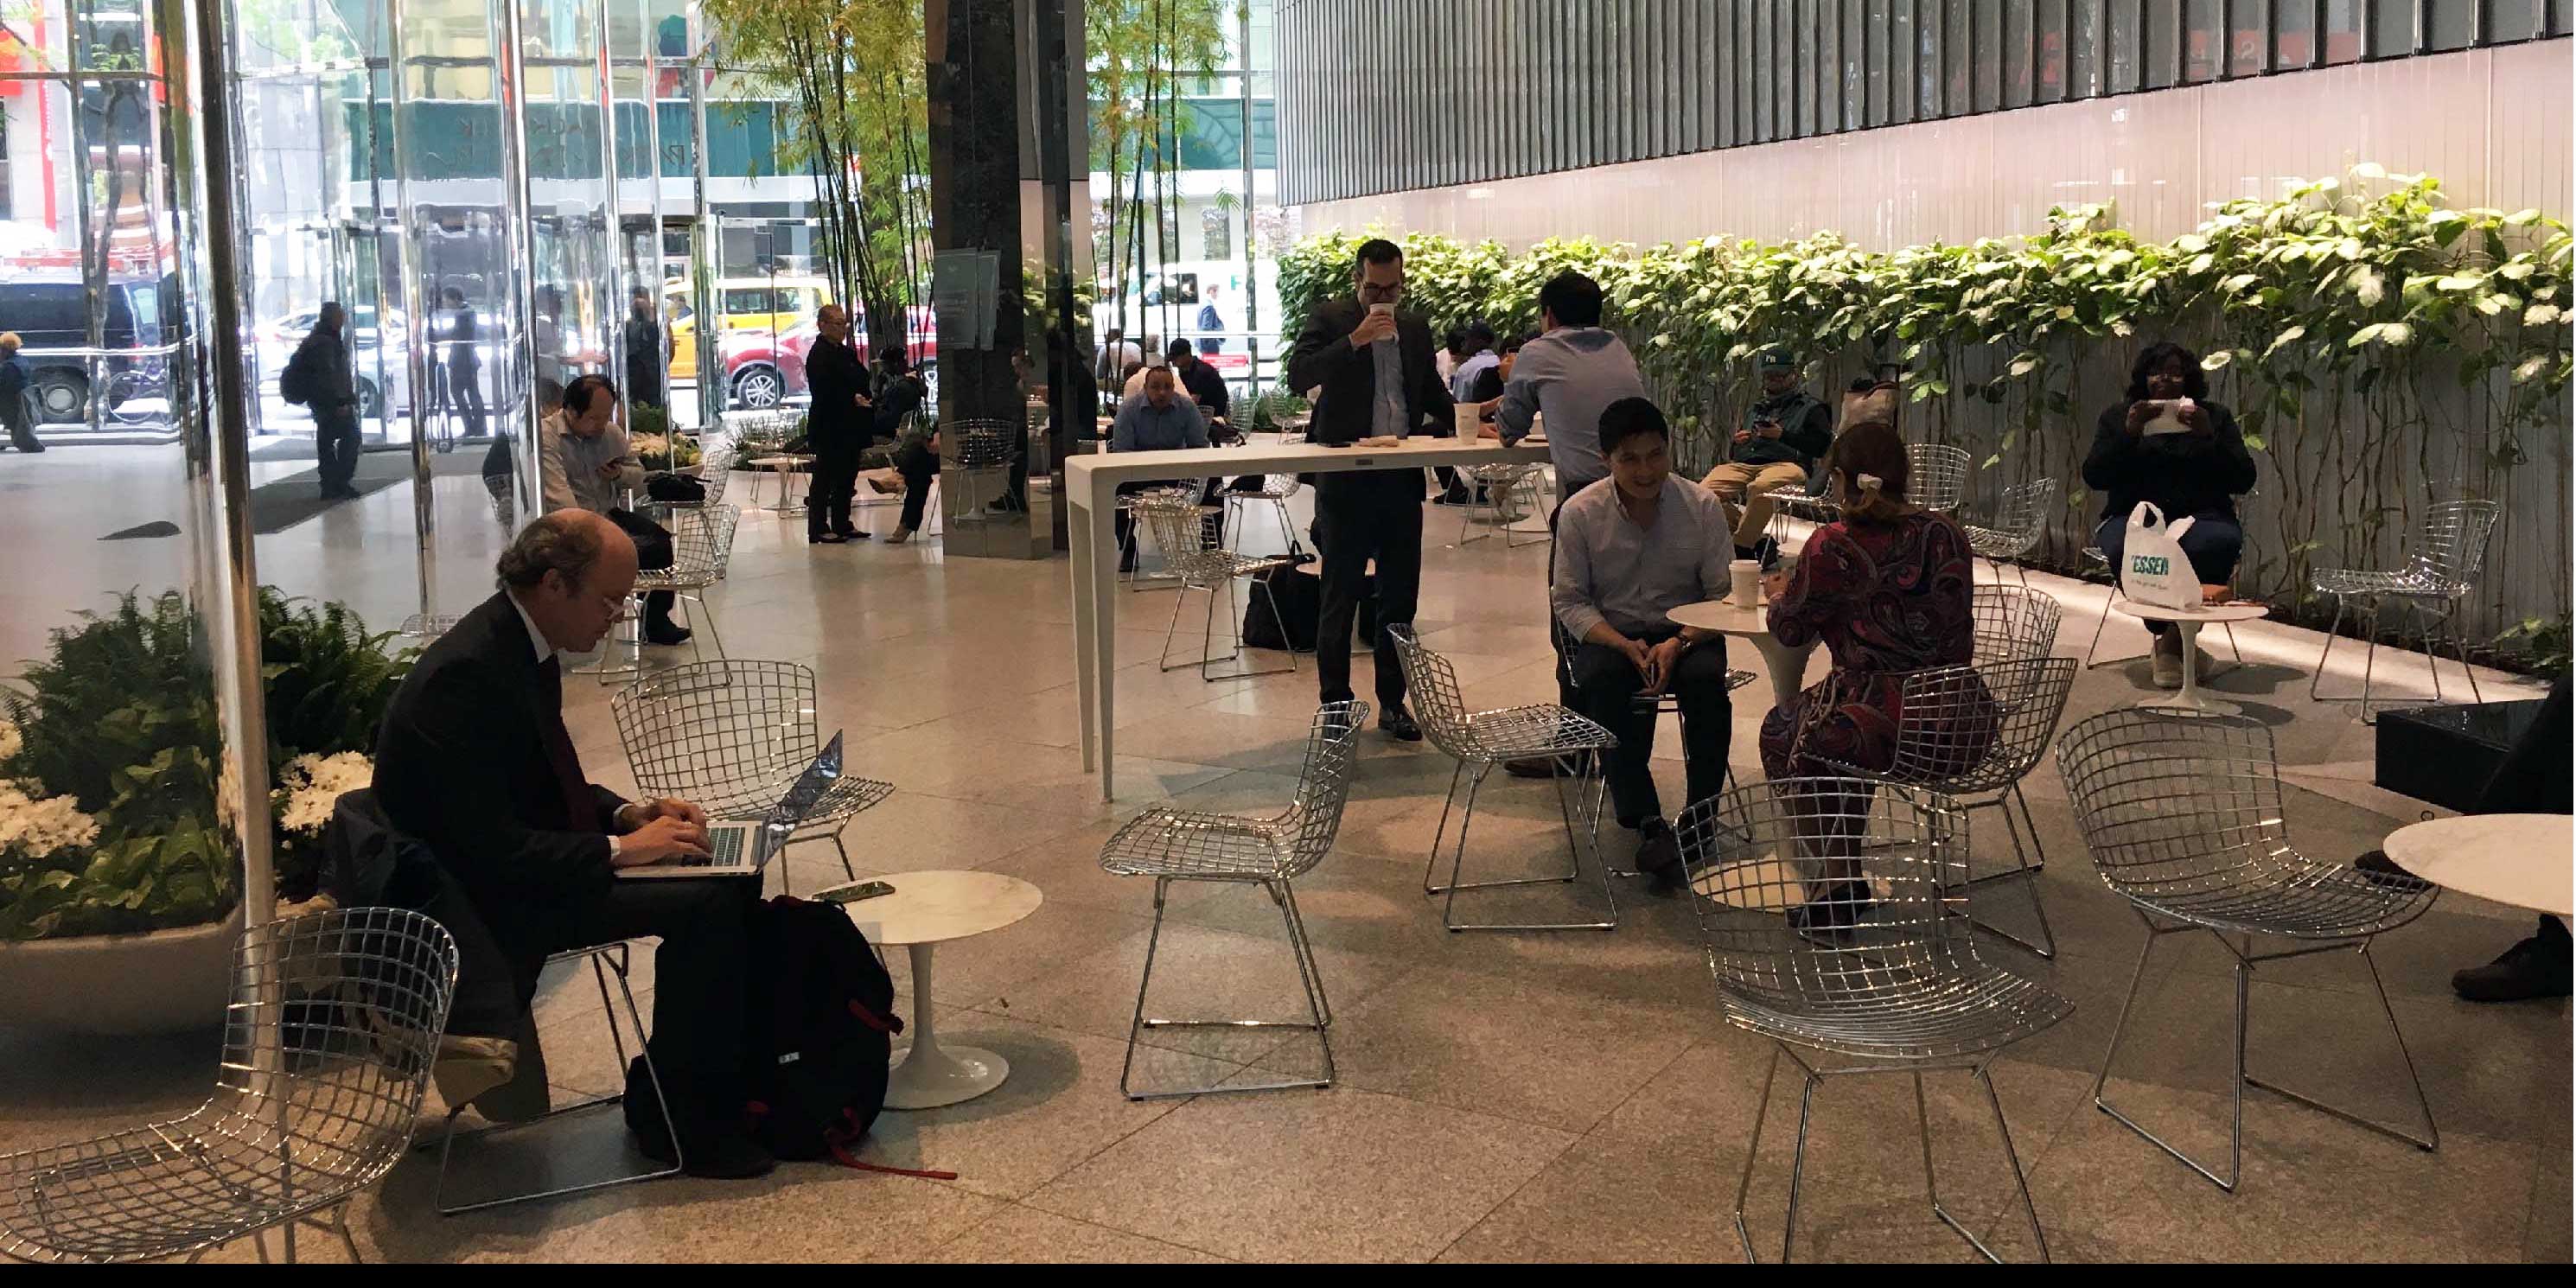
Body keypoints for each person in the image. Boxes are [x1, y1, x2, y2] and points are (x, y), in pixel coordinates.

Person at [370, 510, 772, 1179]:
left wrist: (626, 815)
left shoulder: (519, 645)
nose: (618, 617)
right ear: (555, 585)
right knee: (708, 903)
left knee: (726, 875)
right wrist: (621, 853)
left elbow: (544, 782)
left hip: (512, 869)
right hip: (477, 905)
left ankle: (692, 1090)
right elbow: (488, 852)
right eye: (611, 599)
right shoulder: (465, 679)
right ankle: (681, 1122)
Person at [1759, 414, 1989, 936]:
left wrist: (1778, 594)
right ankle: (1844, 880)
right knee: (1836, 726)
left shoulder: (1832, 543)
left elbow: (1792, 632)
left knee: (1784, 729)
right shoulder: (1945, 532)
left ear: (1840, 478)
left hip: (1885, 723)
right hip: (1959, 715)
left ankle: (1837, 884)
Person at [1553, 398, 1736, 893]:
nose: (1645, 470)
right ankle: (1646, 820)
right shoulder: (1580, 513)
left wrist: (1678, 642)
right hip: (1614, 632)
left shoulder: (1701, 506)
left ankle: (1699, 819)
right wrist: (1622, 644)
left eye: (1655, 455)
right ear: (1606, 460)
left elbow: (1722, 595)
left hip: (1690, 629)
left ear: (1669, 450)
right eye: (1629, 459)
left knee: (1706, 690)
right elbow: (1569, 601)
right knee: (1605, 688)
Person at [1285, 237, 1455, 742]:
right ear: (1357, 281)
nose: (1383, 297)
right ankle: (1336, 702)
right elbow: (1298, 375)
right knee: (1339, 593)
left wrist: (1471, 425)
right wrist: (1355, 339)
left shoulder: (1415, 327)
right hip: (1346, 477)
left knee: (1400, 596)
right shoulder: (1331, 318)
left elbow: (1427, 390)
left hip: (1399, 475)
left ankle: (1393, 702)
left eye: (1393, 288)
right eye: (1374, 287)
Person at [1488, 272, 1647, 771]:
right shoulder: (1619, 346)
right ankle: (1616, 744)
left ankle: (1574, 748)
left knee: (1571, 620)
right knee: (1620, 614)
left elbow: (1510, 429)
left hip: (1586, 500)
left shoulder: (1537, 351)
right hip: (1643, 492)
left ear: (1549, 315)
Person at [2084, 340, 2258, 688]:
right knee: (2127, 548)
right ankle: (2173, 642)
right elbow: (2095, 476)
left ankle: (2170, 647)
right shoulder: (2120, 417)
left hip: (2203, 515)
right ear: (2143, 379)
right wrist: (2129, 433)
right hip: (2134, 515)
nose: (2164, 379)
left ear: (2189, 379)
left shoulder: (2214, 417)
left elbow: (2243, 479)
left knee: (2216, 543)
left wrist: (2208, 436)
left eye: (2175, 373)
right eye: (2156, 372)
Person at [541, 373, 689, 647]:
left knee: (658, 541)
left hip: (607, 512)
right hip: (569, 521)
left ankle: (655, 620)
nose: (601, 425)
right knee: (625, 548)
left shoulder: (610, 434)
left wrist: (618, 474)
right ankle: (594, 618)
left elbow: (639, 477)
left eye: (606, 416)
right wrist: (591, 532)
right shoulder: (547, 436)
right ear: (571, 410)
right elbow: (557, 493)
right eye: (593, 418)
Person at [1701, 346, 1833, 561]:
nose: (1774, 380)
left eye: (1780, 375)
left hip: (1788, 465)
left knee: (1761, 488)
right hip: (1747, 464)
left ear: (1794, 375)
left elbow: (1820, 447)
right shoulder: (1758, 407)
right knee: (1703, 494)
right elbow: (1735, 454)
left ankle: (1741, 549)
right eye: (1769, 376)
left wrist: (1782, 436)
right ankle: (1758, 542)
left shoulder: (1812, 408)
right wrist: (1737, 443)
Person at [1109, 365, 1215, 571]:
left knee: (1213, 482)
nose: (1162, 392)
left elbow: (1200, 447)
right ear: (1145, 388)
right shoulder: (1129, 409)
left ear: (1174, 387)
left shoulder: (1186, 407)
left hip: (1176, 473)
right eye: (1155, 387)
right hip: (1137, 473)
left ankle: (1210, 546)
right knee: (1114, 490)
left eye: (1167, 387)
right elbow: (1121, 452)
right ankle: (1128, 548)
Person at [802, 304, 872, 544]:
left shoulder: (845, 352)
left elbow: (862, 377)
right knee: (825, 477)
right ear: (822, 325)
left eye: (844, 324)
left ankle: (842, 523)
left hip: (850, 424)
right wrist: (850, 396)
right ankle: (818, 527)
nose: (842, 329)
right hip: (829, 424)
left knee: (847, 475)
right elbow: (824, 389)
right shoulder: (819, 354)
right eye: (837, 324)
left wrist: (862, 395)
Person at [288, 302, 363, 501]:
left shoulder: (319, 339)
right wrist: (340, 402)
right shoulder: (324, 343)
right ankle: (338, 482)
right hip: (330, 401)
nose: (343, 319)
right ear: (333, 318)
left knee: (327, 440)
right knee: (350, 437)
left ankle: (331, 484)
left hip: (321, 400)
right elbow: (328, 376)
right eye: (340, 315)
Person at [443, 287, 488, 442]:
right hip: (466, 361)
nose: (445, 303)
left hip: (463, 362)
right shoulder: (465, 313)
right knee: (471, 393)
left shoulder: (465, 313)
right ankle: (476, 427)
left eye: (446, 299)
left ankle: (474, 427)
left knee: (463, 393)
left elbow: (458, 336)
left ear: (454, 298)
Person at [1166, 338, 1231, 427]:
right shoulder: (1186, 371)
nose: (1173, 362)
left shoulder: (1200, 372)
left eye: (1175, 357)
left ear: (1187, 355)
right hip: (1205, 413)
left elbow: (1192, 402)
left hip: (1214, 417)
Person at [623, 286, 666, 409]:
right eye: (635, 299)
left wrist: (650, 316)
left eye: (642, 298)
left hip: (653, 377)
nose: (639, 304)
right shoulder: (627, 326)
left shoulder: (658, 324)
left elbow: (667, 348)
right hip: (632, 378)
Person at [0, 332, 40, 453]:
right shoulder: (21, 360)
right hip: (20, 399)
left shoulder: (9, 366)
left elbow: (3, 385)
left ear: (4, 350)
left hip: (10, 401)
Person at [1196, 284, 1226, 355]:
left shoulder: (1203, 304)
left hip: (1204, 345)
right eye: (1217, 292)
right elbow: (1206, 328)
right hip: (1210, 346)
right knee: (1212, 365)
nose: (1218, 295)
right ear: (1211, 291)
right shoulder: (1209, 307)